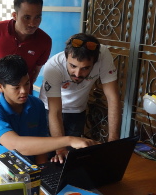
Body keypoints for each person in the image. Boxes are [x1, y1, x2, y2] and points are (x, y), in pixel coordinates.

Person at [0, 54, 98, 177]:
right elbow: (16, 145)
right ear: (0, 87)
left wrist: (43, 175)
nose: (24, 91)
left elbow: (41, 150)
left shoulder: (36, 105)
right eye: (16, 87)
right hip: (2, 177)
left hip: (31, 174)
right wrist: (70, 140)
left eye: (27, 83)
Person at [39, 33, 121, 162]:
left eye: (85, 68)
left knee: (73, 157)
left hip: (77, 110)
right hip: (49, 110)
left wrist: (113, 142)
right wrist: (60, 149)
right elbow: (55, 112)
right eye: (73, 66)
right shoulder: (53, 67)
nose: (77, 73)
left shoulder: (103, 55)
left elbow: (113, 98)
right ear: (66, 57)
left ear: (95, 61)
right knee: (54, 155)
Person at [0, 0, 52, 104]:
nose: (33, 23)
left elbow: (34, 73)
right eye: (27, 17)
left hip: (22, 103)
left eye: (37, 17)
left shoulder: (45, 41)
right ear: (15, 15)